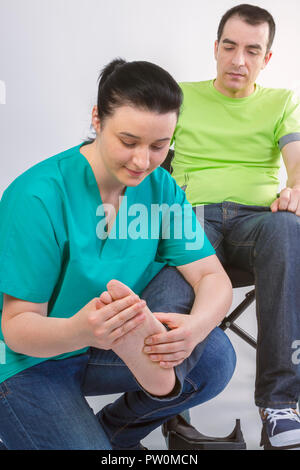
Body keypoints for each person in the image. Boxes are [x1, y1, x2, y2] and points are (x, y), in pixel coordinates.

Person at [0, 58, 235, 450]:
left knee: (213, 357)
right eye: (128, 142)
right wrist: (82, 329)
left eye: (159, 145)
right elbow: (16, 329)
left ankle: (111, 434)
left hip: (97, 346)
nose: (143, 161)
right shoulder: (37, 196)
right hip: (28, 362)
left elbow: (213, 278)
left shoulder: (159, 187)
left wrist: (193, 330)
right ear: (97, 119)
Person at [165, 3, 300, 450]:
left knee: (288, 230)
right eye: (229, 46)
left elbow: (296, 163)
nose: (238, 60)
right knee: (172, 235)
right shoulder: (180, 96)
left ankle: (279, 405)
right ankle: (170, 406)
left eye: (252, 50)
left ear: (267, 58)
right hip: (193, 217)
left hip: (256, 226)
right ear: (216, 48)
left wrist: (297, 187)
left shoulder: (282, 101)